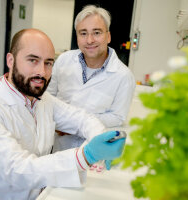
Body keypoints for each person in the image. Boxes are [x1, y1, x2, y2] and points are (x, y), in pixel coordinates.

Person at [0, 29, 126, 200]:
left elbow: (82, 119)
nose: (41, 72)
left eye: (48, 63)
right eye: (33, 60)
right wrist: (86, 155)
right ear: (11, 60)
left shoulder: (42, 100)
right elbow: (19, 170)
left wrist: (102, 138)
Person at [47, 5, 136, 151]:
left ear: (108, 36)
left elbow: (117, 117)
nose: (89, 40)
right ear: (77, 37)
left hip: (92, 149)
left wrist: (75, 124)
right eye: (83, 33)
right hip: (58, 146)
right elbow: (48, 97)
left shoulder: (124, 76)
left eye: (96, 32)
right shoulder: (63, 61)